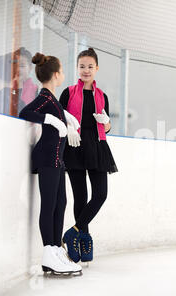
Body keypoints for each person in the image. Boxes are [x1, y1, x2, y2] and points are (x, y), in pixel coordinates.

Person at [19, 52, 82, 276]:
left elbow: (53, 109)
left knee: (60, 203)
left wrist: (66, 116)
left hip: (58, 160)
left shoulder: (52, 99)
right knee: (49, 205)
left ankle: (55, 250)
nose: (64, 74)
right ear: (56, 75)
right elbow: (25, 112)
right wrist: (53, 120)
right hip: (48, 159)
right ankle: (48, 251)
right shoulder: (45, 96)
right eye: (62, 71)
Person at [59, 47, 118, 264]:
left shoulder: (102, 96)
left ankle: (74, 232)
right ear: (77, 68)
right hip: (74, 146)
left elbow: (108, 126)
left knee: (100, 194)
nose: (86, 70)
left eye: (90, 66)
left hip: (97, 146)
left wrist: (107, 123)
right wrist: (69, 128)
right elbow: (59, 117)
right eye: (82, 66)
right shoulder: (68, 93)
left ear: (96, 69)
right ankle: (82, 237)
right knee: (81, 197)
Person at [0, 47, 38, 116]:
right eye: (15, 65)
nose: (18, 69)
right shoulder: (2, 94)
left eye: (22, 65)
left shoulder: (36, 93)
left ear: (30, 68)